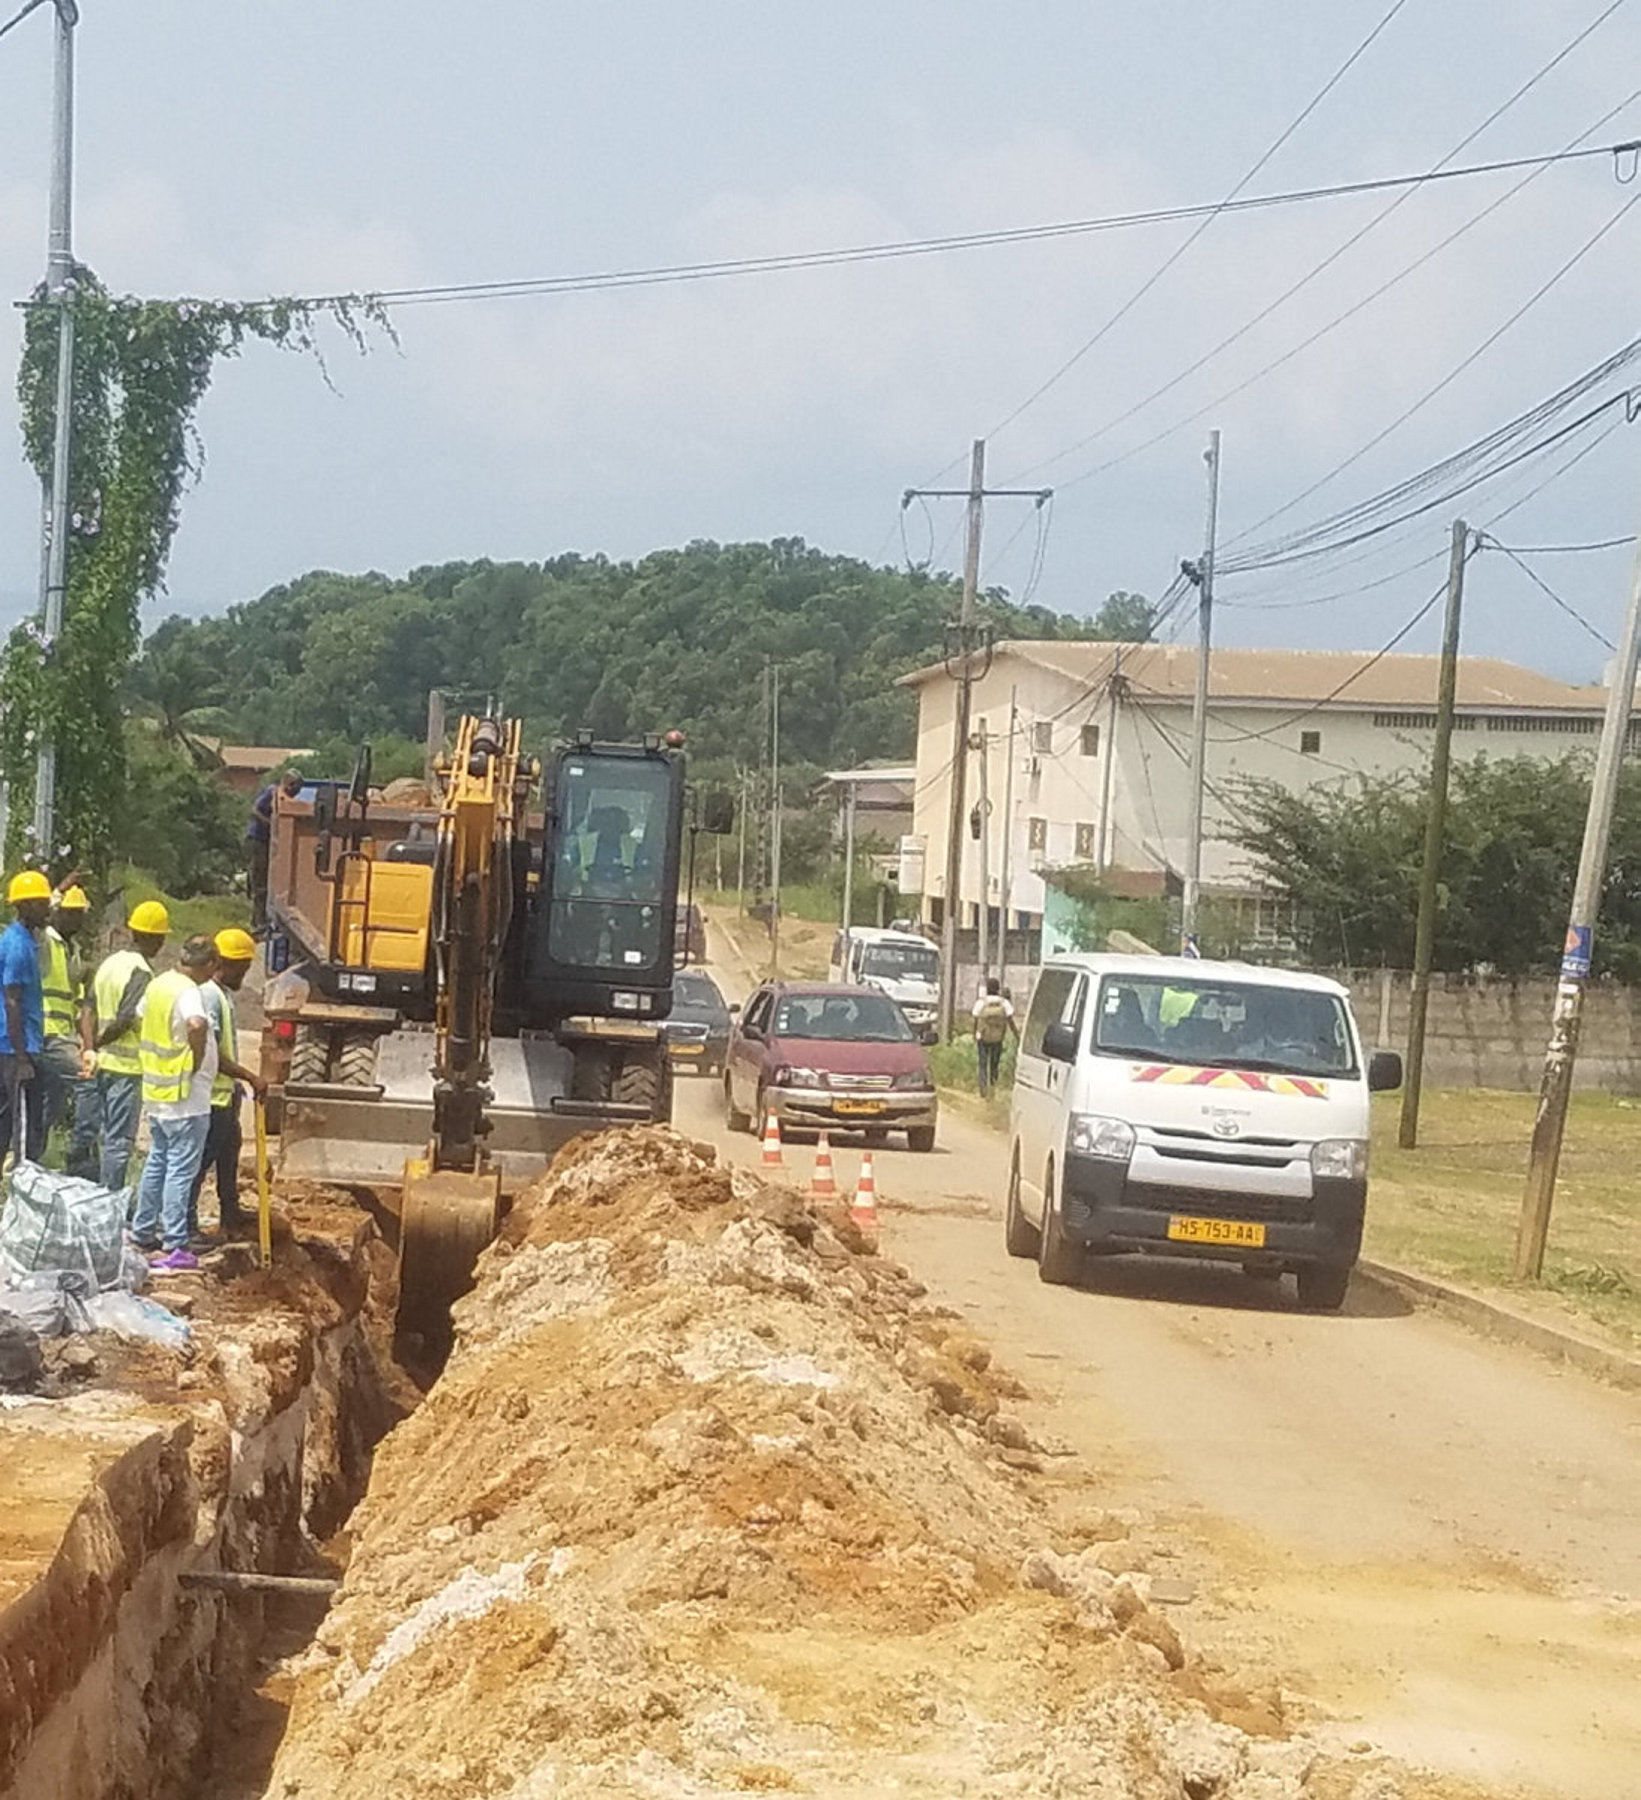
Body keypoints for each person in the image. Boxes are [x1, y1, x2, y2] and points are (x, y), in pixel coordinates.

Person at [131, 935, 218, 1271]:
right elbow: (196, 1024)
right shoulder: (187, 991)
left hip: (158, 1091)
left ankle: (142, 1231)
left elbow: (140, 1016)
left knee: (158, 1162)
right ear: (208, 965)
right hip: (185, 1095)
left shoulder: (159, 984)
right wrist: (194, 1058)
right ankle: (174, 1243)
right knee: (181, 1169)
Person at [78, 900, 170, 1190]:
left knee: (94, 1134)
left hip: (98, 1065)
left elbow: (87, 1009)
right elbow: (126, 1019)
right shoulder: (142, 973)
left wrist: (91, 1048)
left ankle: (89, 1196)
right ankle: (109, 1204)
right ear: (155, 938)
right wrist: (101, 1044)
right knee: (117, 1142)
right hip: (125, 1070)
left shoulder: (109, 963)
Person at [189, 927, 266, 1242]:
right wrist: (248, 1076)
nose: (244, 977)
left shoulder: (223, 995)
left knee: (229, 1151)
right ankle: (186, 1224)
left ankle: (230, 1213)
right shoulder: (208, 994)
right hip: (210, 1096)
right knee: (200, 1160)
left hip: (224, 1094)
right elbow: (211, 1051)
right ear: (228, 964)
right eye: (243, 969)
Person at [0, 871, 53, 1167]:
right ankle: (22, 1189)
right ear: (24, 906)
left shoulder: (18, 940)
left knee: (6, 1122)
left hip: (11, 1046)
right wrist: (22, 1058)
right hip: (15, 1049)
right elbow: (12, 1000)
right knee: (23, 1129)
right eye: (41, 903)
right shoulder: (18, 946)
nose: (47, 908)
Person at [37, 884, 91, 1141]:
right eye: (71, 912)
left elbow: (78, 1003)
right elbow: (36, 916)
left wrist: (86, 1044)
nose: (76, 918)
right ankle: (81, 1150)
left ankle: (28, 1154)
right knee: (87, 1079)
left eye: (79, 913)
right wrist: (60, 888)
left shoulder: (73, 950)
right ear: (58, 912)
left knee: (49, 1100)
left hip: (63, 1035)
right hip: (46, 1032)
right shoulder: (45, 940)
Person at [247, 769, 303, 932]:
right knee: (260, 881)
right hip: (258, 840)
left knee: (268, 882)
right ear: (289, 784)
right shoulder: (272, 792)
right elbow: (255, 810)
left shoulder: (285, 799)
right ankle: (258, 923)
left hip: (268, 842)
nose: (297, 793)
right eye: (296, 789)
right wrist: (272, 824)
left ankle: (260, 919)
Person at [971, 977, 1017, 1099]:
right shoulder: (1004, 1003)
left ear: (987, 989)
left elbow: (975, 1019)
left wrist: (974, 1034)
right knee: (994, 1065)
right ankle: (993, 1088)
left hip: (983, 1037)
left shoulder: (981, 1002)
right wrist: (1016, 1035)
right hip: (998, 1038)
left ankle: (983, 1090)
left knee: (982, 1064)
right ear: (998, 989)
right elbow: (1010, 1020)